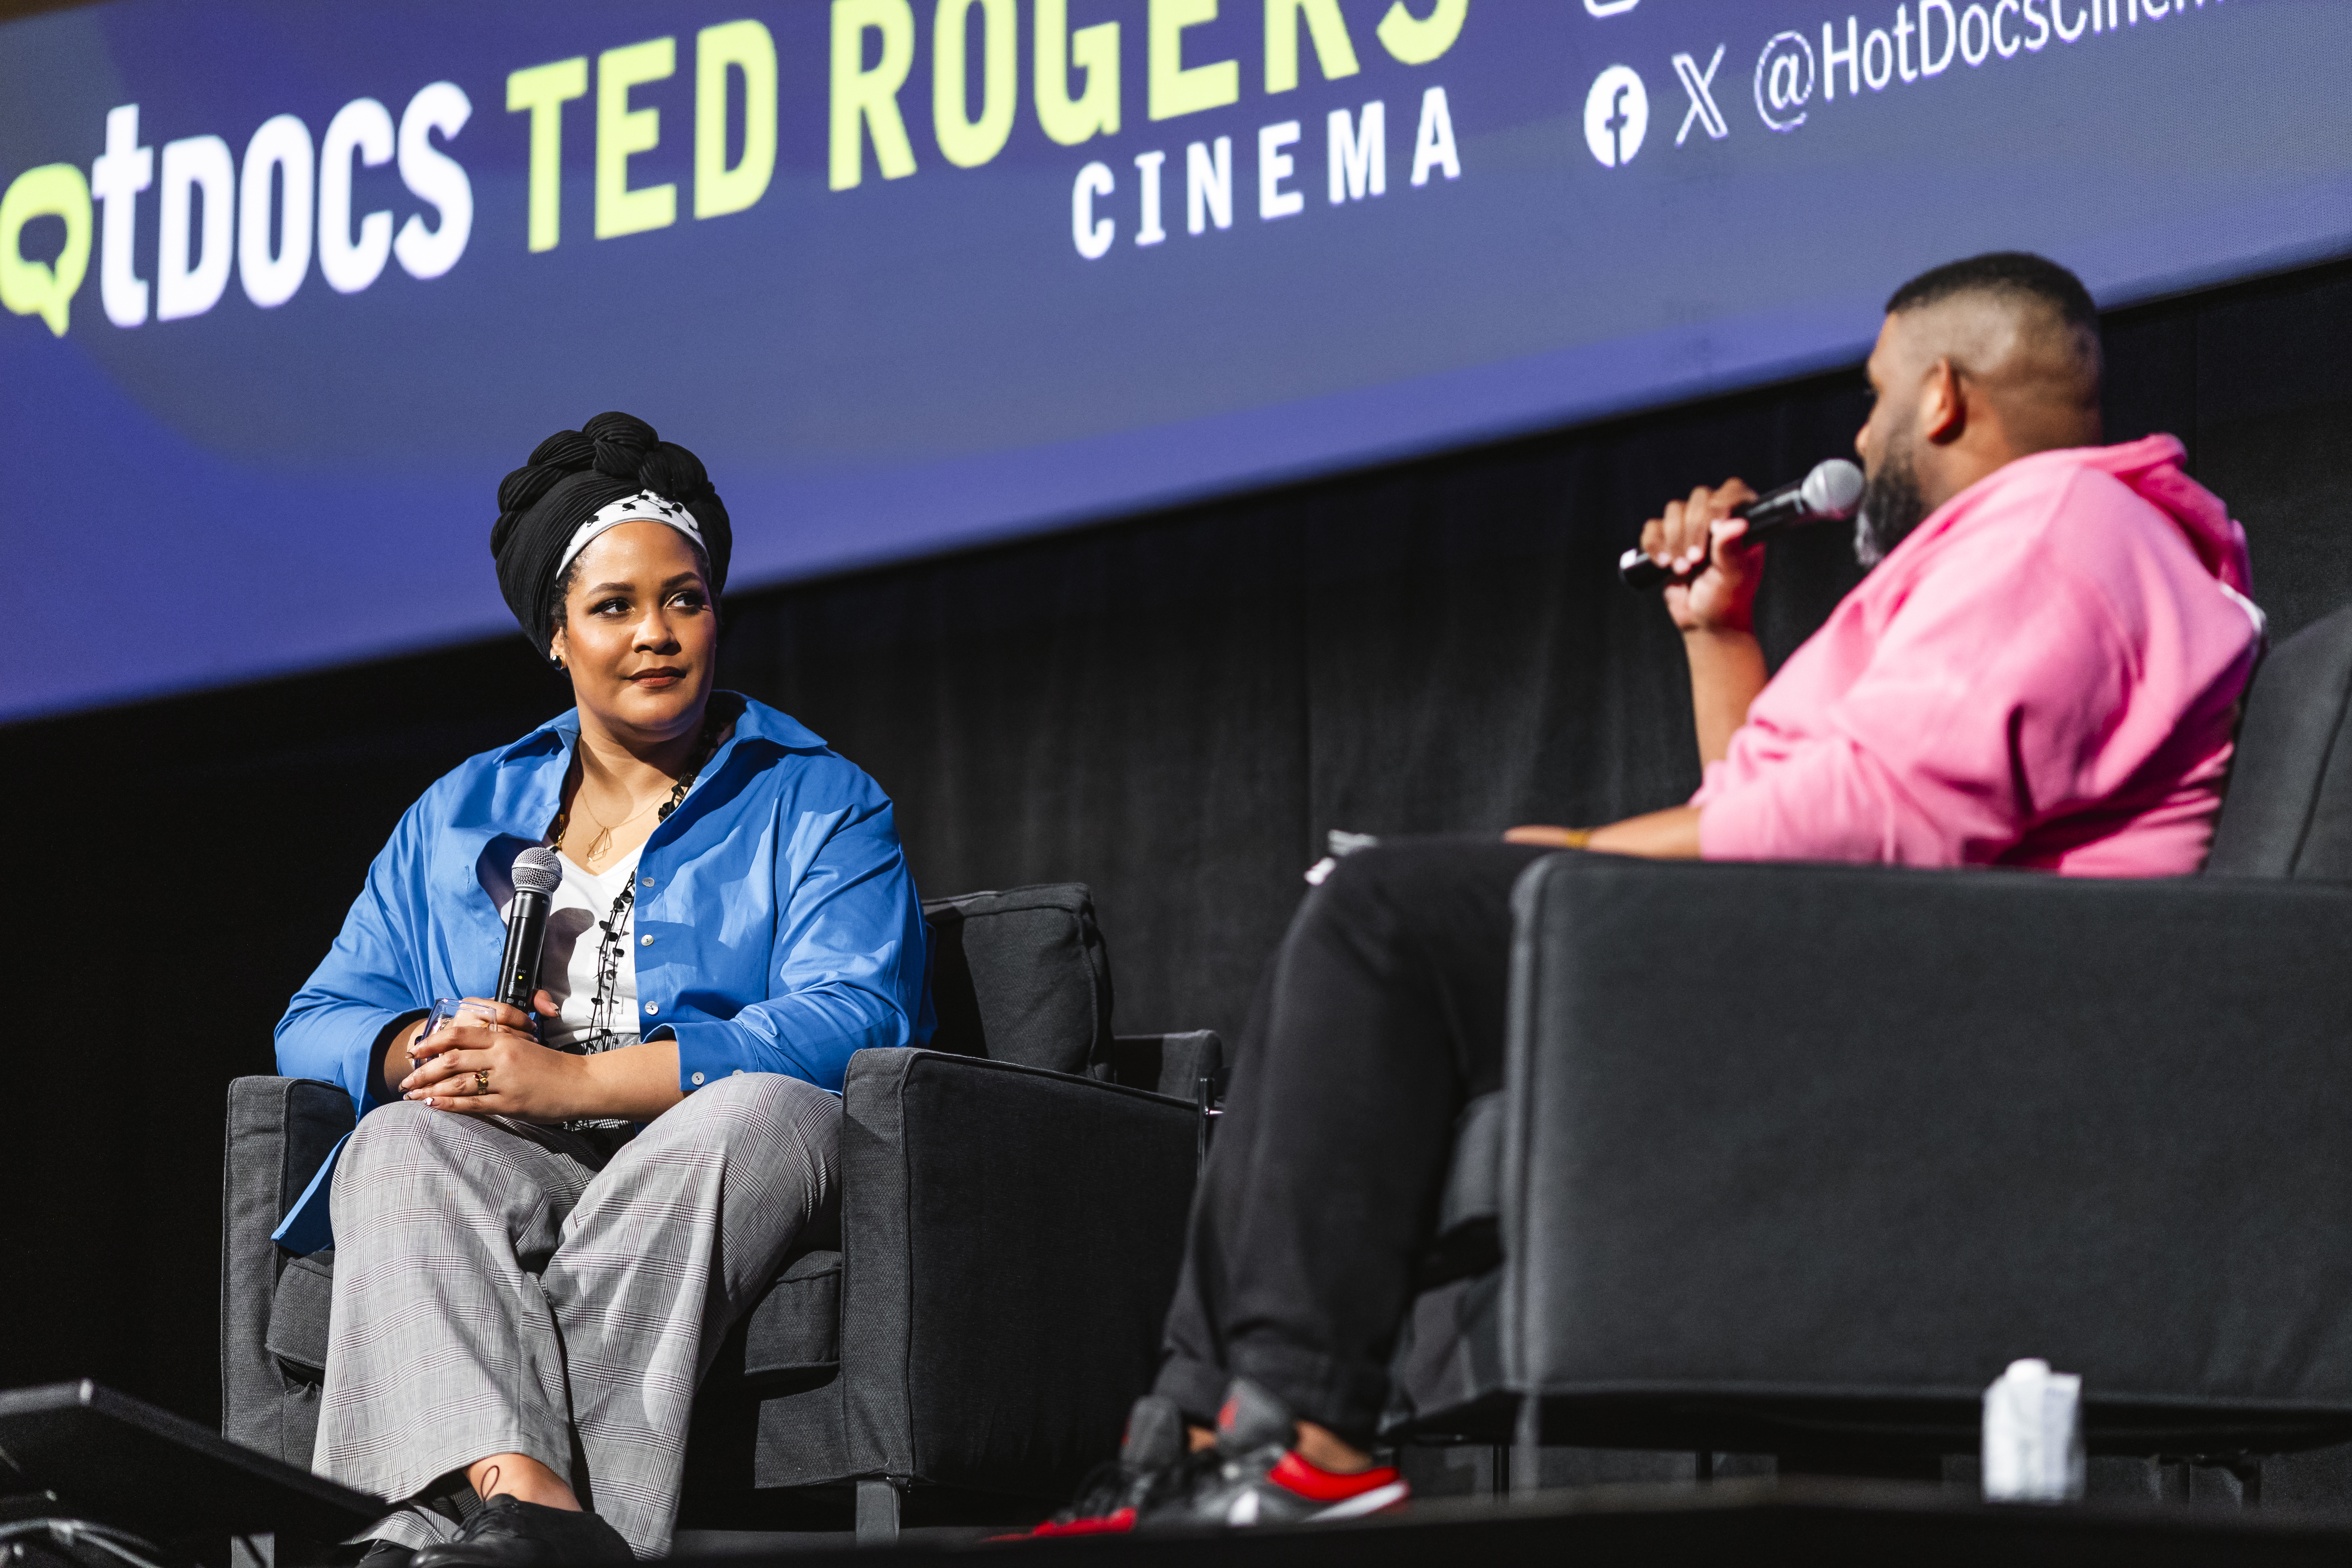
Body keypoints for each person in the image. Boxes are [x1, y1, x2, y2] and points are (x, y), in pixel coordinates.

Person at [1033, 254, 2267, 1533]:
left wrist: (1577, 851)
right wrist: (1718, 632)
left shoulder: (2062, 533)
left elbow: (1869, 823)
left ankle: (1308, 1437)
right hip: (1886, 982)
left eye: (1873, 395)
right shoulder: (2018, 554)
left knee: (1388, 915)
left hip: (1971, 1039)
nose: (1859, 433)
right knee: (1356, 920)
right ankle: (1189, 1437)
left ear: (1942, 397)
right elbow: (1788, 819)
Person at [274, 412, 933, 1566]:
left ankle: (438, 1518)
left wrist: (574, 1078)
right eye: (616, 608)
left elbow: (857, 1017)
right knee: (396, 1149)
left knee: (754, 1109)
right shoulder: (457, 815)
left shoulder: (820, 797)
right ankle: (539, 1517)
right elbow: (316, 1019)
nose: (658, 635)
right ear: (557, 637)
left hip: (724, 1144)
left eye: (685, 599)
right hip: (532, 1161)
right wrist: (423, 1043)